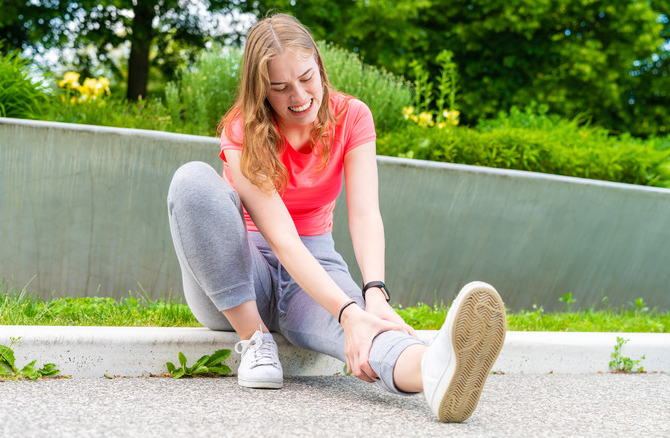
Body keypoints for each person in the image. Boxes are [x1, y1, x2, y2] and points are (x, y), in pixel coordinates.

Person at [167, 13, 507, 423]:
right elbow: (281, 239)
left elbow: (365, 214)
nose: (299, 96)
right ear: (261, 92)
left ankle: (432, 370)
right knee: (191, 181)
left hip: (315, 265)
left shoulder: (353, 116)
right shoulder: (242, 129)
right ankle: (254, 340)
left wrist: (373, 296)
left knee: (366, 330)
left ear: (320, 67)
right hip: (239, 271)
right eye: (280, 88)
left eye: (307, 78)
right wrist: (347, 309)